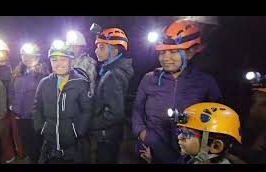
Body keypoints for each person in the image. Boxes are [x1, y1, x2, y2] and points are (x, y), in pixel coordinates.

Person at [132, 19, 222, 163]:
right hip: (151, 147)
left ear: (190, 53)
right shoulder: (149, 79)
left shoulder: (206, 83)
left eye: (173, 52)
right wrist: (144, 134)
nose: (165, 58)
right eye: (162, 52)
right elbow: (137, 110)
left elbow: (216, 120)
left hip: (186, 152)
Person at [34, 42, 92, 164]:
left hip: (74, 147)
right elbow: (37, 107)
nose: (58, 64)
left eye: (63, 59)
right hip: (50, 145)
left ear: (71, 61)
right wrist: (41, 128)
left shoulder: (80, 83)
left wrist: (78, 131)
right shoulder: (44, 83)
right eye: (54, 60)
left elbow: (87, 110)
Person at [90, 25, 134, 163]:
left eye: (102, 47)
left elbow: (115, 113)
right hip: (112, 133)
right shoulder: (113, 69)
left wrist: (91, 124)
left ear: (114, 50)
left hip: (107, 134)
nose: (96, 50)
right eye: (97, 47)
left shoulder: (112, 75)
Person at [0, 38, 25, 163]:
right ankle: (8, 155)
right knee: (3, 133)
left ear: (7, 53)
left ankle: (21, 152)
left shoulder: (16, 66)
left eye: (0, 51)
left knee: (17, 131)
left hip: (14, 105)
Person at [9, 42, 49, 163]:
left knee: (39, 145)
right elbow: (11, 91)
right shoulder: (18, 73)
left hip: (37, 117)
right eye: (24, 55)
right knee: (27, 144)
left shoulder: (43, 75)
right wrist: (13, 106)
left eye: (31, 56)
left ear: (37, 57)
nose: (27, 59)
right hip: (21, 116)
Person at [66, 30, 97, 95]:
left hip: (82, 96)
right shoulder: (64, 60)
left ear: (82, 47)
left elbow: (92, 84)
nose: (72, 49)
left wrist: (89, 98)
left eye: (76, 46)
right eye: (70, 46)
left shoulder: (89, 62)